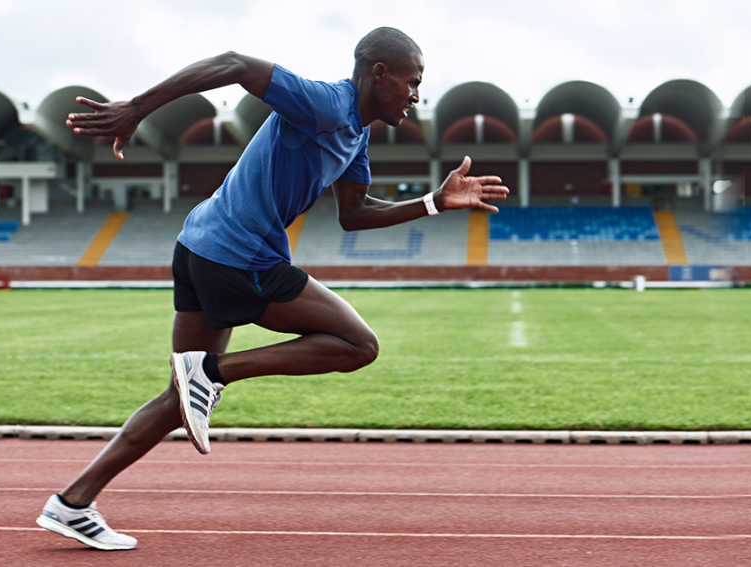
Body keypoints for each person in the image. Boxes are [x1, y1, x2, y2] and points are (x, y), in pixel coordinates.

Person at [36, 27, 508, 551]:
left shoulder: (355, 134)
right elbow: (236, 62)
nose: (417, 95)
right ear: (379, 73)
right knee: (359, 346)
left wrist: (433, 204)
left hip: (199, 248)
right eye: (412, 81)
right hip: (240, 256)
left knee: (179, 396)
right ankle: (213, 373)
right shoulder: (327, 103)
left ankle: (72, 502)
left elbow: (353, 214)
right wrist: (138, 108)